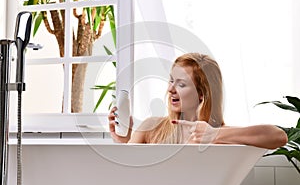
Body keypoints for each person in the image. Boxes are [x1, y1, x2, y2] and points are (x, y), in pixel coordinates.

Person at [108, 53, 288, 149]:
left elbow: (278, 136)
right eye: (171, 80)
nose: (170, 89)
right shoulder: (151, 127)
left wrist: (214, 135)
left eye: (181, 84)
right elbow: (127, 174)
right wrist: (125, 140)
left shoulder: (218, 134)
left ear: (202, 94)